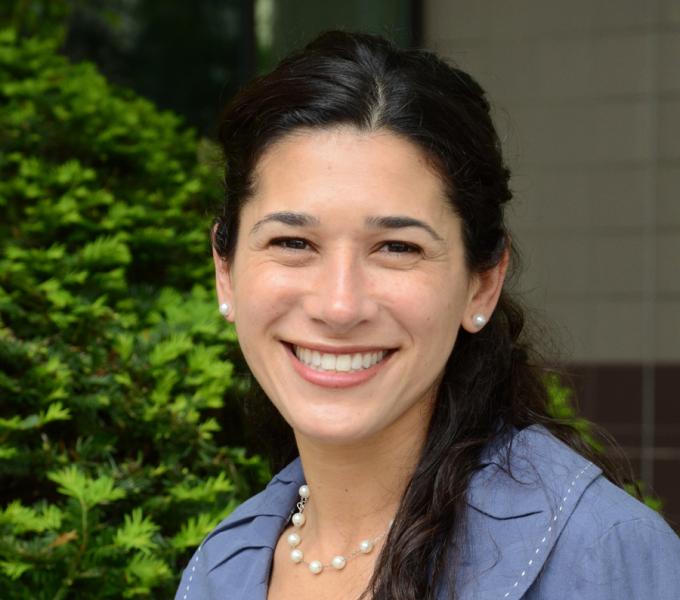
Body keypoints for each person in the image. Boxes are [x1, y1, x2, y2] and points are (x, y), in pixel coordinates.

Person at [175, 30, 680, 600]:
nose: (339, 306)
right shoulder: (220, 571)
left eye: (397, 248)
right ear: (226, 270)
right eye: (293, 242)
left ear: (481, 284)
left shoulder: (602, 554)